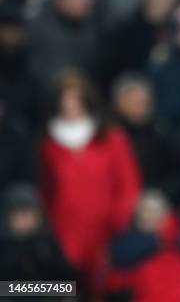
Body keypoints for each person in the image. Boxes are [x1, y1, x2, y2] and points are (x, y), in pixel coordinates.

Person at [39, 69, 141, 293]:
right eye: (64, 99)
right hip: (63, 235)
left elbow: (128, 184)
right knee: (63, 290)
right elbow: (45, 191)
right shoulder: (48, 145)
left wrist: (119, 221)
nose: (70, 105)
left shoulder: (111, 138)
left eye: (75, 99)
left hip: (106, 235)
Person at [106, 190, 180, 302]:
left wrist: (173, 236)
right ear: (137, 217)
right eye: (146, 211)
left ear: (167, 213)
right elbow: (120, 255)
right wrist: (160, 239)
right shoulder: (131, 241)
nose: (151, 216)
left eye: (156, 211)